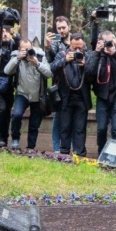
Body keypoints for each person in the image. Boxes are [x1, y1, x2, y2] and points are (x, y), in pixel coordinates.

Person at [4, 40, 52, 150]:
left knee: (34, 123)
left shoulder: (39, 56)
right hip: (22, 93)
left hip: (37, 95)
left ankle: (31, 146)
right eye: (23, 50)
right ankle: (15, 139)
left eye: (29, 49)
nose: (27, 52)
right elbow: (6, 71)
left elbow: (49, 74)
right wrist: (18, 58)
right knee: (16, 115)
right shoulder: (16, 56)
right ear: (19, 49)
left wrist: (37, 64)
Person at [89, 31, 116, 154]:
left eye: (111, 40)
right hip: (103, 97)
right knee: (101, 129)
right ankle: (101, 153)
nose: (108, 43)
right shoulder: (97, 54)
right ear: (100, 42)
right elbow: (89, 71)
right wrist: (97, 52)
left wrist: (115, 53)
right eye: (106, 41)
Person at [50, 34, 93, 156]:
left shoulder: (88, 56)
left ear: (84, 45)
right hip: (65, 97)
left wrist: (85, 66)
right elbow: (52, 68)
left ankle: (79, 153)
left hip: (81, 98)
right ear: (70, 45)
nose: (78, 51)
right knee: (65, 127)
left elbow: (93, 75)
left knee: (80, 128)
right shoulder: (62, 54)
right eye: (75, 48)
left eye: (80, 47)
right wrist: (65, 61)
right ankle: (64, 153)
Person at [0, 24, 21, 147]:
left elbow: (22, 45)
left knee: (7, 110)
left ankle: (4, 138)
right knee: (1, 108)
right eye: (3, 32)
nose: (5, 34)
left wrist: (14, 33)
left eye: (7, 32)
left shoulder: (13, 46)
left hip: (8, 83)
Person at [45, 16, 73, 154]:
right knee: (58, 118)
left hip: (74, 85)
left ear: (69, 27)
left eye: (63, 28)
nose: (61, 31)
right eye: (59, 28)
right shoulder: (55, 43)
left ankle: (70, 146)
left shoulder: (76, 41)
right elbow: (51, 63)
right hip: (59, 85)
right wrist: (48, 47)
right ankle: (57, 148)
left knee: (71, 119)